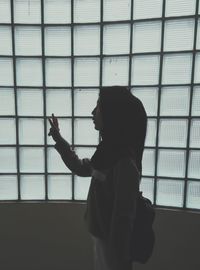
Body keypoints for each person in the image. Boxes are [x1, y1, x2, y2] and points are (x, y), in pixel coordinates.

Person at [48, 86, 147, 270]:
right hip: (104, 238)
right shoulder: (107, 153)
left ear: (113, 114)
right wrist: (59, 138)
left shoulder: (124, 163)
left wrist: (121, 256)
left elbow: (124, 217)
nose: (93, 113)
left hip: (114, 245)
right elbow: (80, 167)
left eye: (99, 107)